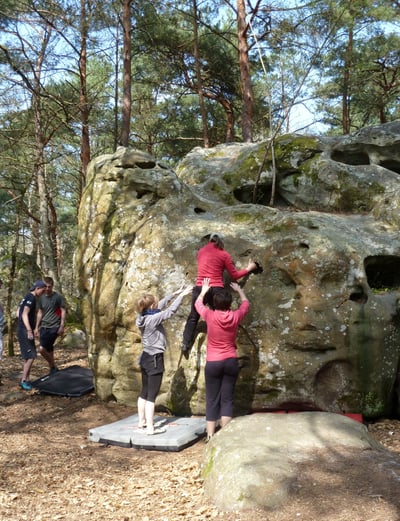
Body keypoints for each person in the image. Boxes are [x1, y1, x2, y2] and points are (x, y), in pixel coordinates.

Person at [181, 232, 257, 353]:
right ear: (221, 242)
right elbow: (234, 275)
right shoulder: (224, 254)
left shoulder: (201, 252)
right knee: (221, 317)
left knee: (193, 317)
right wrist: (249, 268)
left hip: (201, 286)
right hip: (217, 289)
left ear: (210, 241)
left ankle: (185, 343)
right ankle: (226, 343)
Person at [195, 277, 250, 441]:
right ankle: (225, 438)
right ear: (230, 304)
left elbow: (198, 305)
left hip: (213, 362)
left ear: (215, 303)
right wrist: (240, 290)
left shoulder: (210, 315)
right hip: (230, 361)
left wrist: (203, 291)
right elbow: (246, 304)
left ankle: (210, 436)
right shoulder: (235, 316)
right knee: (227, 399)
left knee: (212, 399)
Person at [135, 283, 192, 435]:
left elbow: (160, 305)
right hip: (154, 360)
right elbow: (170, 311)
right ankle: (151, 428)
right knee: (152, 396)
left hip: (145, 358)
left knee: (144, 392)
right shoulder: (153, 319)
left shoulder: (142, 316)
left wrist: (175, 292)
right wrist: (182, 295)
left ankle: (142, 422)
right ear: (152, 306)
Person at [17, 280, 47, 390]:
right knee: (31, 356)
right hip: (24, 330)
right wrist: (29, 329)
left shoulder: (27, 297)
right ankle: (23, 380)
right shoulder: (31, 298)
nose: (43, 293)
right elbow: (24, 313)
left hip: (22, 329)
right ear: (37, 288)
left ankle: (27, 379)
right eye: (42, 291)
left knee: (28, 355)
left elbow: (18, 312)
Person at [34, 276, 66, 374]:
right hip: (44, 327)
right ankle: (52, 369)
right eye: (46, 287)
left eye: (49, 287)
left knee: (41, 349)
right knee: (49, 348)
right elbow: (40, 312)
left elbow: (63, 310)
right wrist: (36, 327)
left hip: (54, 326)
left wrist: (61, 326)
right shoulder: (41, 297)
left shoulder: (58, 297)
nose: (47, 289)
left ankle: (53, 365)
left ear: (52, 286)